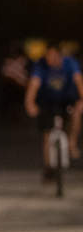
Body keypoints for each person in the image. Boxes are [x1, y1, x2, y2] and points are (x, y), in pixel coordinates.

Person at [24, 44, 83, 179]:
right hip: (47, 102)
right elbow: (34, 84)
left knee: (75, 115)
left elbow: (79, 81)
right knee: (47, 134)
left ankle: (72, 142)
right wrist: (29, 103)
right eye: (48, 56)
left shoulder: (70, 64)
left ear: (59, 55)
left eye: (53, 56)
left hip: (67, 100)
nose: (50, 59)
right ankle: (49, 167)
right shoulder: (40, 65)